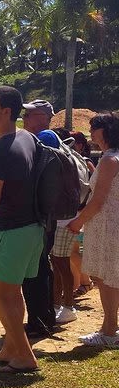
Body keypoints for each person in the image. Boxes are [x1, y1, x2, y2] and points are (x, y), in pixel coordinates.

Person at [0, 86, 43, 373]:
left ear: (6, 112)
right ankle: (10, 347)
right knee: (13, 292)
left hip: (10, 229)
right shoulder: (26, 138)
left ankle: (25, 355)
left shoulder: (0, 152)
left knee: (0, 293)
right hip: (33, 226)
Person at [68, 112, 119, 347]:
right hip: (108, 222)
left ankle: (109, 331)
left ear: (106, 131)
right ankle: (110, 327)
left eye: (94, 128)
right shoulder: (112, 157)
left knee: (106, 277)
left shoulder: (110, 159)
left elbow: (98, 200)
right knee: (108, 276)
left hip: (107, 224)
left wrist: (78, 221)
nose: (90, 132)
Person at [20, 99, 62, 330]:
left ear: (44, 117)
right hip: (47, 213)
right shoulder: (48, 137)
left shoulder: (44, 137)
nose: (24, 119)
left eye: (29, 115)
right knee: (41, 265)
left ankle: (38, 320)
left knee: (35, 268)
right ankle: (45, 317)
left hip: (42, 215)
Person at [68, 131, 95, 297]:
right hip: (76, 211)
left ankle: (86, 281)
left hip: (81, 212)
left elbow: (94, 185)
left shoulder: (85, 162)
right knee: (72, 250)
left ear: (81, 145)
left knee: (71, 251)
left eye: (75, 142)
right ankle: (79, 283)